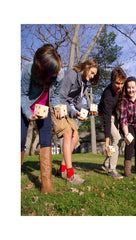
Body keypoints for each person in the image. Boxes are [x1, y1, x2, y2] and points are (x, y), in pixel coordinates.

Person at [21, 44, 64, 193]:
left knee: (46, 140)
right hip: (27, 107)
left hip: (44, 109)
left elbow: (56, 96)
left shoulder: (60, 74)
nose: (59, 73)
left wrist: (58, 108)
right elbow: (22, 95)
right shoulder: (28, 71)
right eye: (55, 72)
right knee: (20, 141)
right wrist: (28, 113)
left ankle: (46, 185)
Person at [56, 58, 99, 185]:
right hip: (58, 107)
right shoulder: (71, 75)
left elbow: (77, 103)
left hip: (68, 108)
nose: (92, 77)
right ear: (86, 67)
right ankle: (70, 176)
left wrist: (89, 109)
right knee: (68, 133)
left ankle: (62, 169)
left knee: (75, 138)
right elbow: (61, 98)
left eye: (94, 75)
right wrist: (74, 113)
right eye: (91, 73)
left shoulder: (84, 83)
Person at [98, 67, 127, 178]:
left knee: (117, 140)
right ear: (111, 81)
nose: (120, 86)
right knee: (116, 138)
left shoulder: (120, 90)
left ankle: (106, 164)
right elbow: (106, 120)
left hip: (114, 116)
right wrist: (106, 142)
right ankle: (112, 170)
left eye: (121, 83)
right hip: (105, 117)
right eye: (117, 83)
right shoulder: (108, 96)